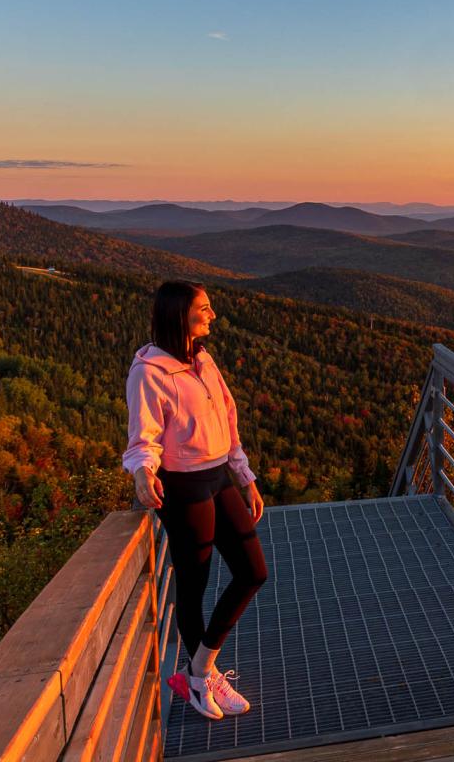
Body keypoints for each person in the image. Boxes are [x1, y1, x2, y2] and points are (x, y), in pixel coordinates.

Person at [123, 280, 268, 720]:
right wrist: (143, 472)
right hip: (183, 487)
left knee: (252, 571)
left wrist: (244, 476)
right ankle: (201, 679)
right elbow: (142, 436)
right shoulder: (149, 372)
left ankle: (199, 669)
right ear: (179, 315)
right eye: (204, 309)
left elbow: (227, 414)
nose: (213, 316)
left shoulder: (201, 358)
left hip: (218, 476)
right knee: (194, 584)